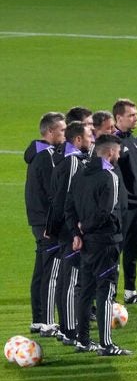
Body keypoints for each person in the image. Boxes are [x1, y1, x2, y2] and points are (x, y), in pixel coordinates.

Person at [65, 134, 131, 356]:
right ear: (110, 152)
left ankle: (83, 340)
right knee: (105, 291)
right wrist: (84, 229)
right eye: (118, 152)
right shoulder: (108, 176)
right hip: (105, 242)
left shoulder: (80, 174)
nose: (119, 156)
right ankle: (106, 344)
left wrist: (76, 233)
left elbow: (69, 208)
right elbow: (106, 211)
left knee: (85, 291)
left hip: (85, 244)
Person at [45, 121, 93, 344]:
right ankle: (70, 330)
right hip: (71, 231)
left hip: (67, 230)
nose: (92, 139)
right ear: (78, 140)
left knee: (68, 278)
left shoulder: (72, 161)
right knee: (71, 280)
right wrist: (73, 231)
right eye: (89, 136)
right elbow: (64, 201)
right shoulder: (73, 163)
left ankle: (67, 328)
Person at [24, 111, 66, 334]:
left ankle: (38, 319)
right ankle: (48, 323)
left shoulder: (36, 154)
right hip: (49, 223)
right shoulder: (48, 156)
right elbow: (55, 193)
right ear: (50, 132)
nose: (65, 133)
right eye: (61, 130)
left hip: (39, 221)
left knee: (41, 270)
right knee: (51, 272)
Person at [113, 99, 137, 304]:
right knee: (116, 251)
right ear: (118, 118)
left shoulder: (133, 139)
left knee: (133, 249)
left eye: (136, 115)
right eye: (131, 115)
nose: (136, 118)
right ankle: (109, 294)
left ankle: (130, 291)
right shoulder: (115, 143)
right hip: (126, 206)